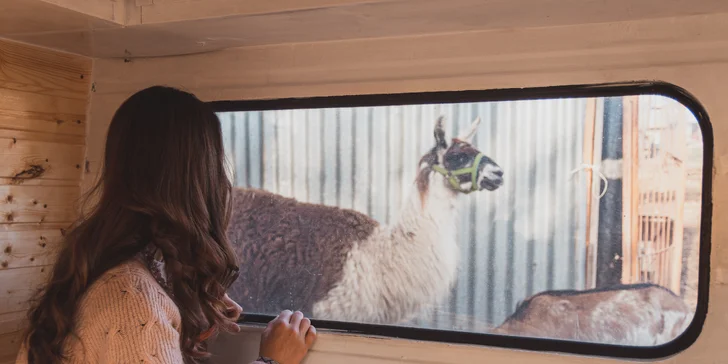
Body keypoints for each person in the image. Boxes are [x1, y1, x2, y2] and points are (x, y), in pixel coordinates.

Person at [16, 86, 316, 364]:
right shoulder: (133, 300)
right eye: (215, 165)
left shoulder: (107, 271)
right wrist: (271, 361)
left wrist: (184, 297)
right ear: (200, 181)